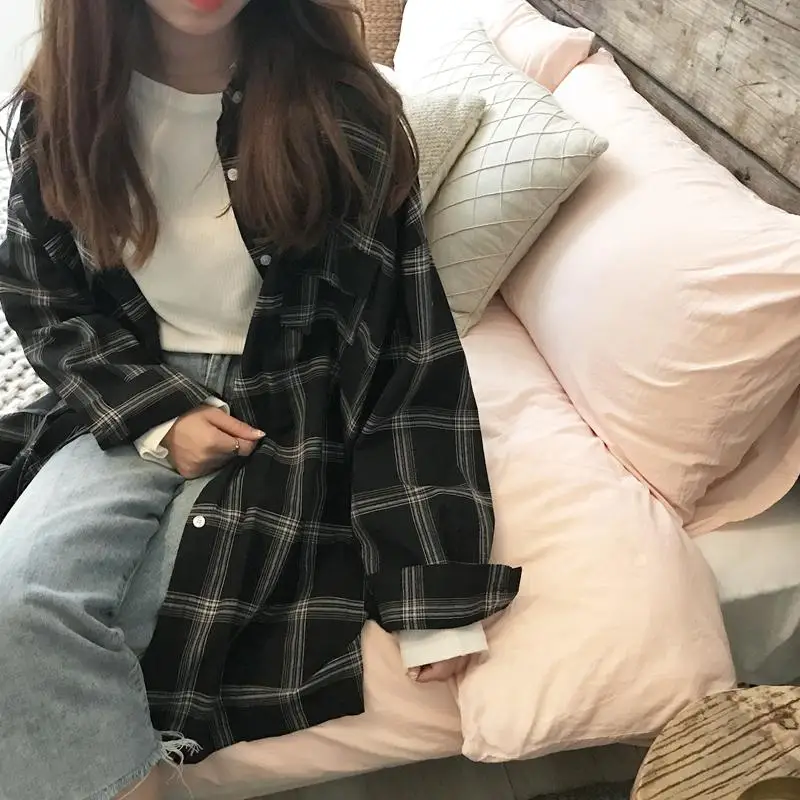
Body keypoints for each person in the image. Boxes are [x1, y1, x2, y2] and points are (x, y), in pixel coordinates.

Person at [0, 1, 521, 798]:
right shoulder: (63, 109)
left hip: (287, 411)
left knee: (136, 622)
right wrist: (158, 416)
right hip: (132, 395)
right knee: (18, 608)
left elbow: (406, 350)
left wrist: (432, 590)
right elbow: (44, 297)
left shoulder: (342, 112)